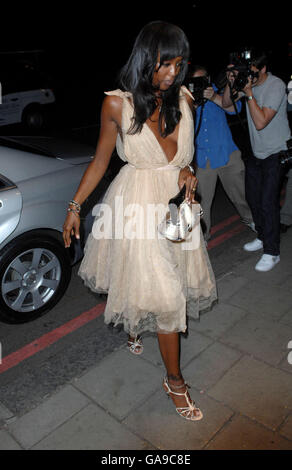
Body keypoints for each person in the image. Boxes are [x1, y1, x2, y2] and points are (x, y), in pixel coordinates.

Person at [62, 21, 217, 421]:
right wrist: (75, 206)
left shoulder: (183, 97)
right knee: (165, 297)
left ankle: (138, 323)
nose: (171, 74)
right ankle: (175, 382)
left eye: (178, 65)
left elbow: (185, 157)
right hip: (135, 203)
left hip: (175, 205)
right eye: (164, 64)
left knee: (175, 276)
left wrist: (187, 174)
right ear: (146, 59)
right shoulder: (117, 104)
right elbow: (100, 161)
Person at [222, 51, 291, 272]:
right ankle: (262, 236)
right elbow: (227, 105)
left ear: (262, 69)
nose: (247, 76)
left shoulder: (275, 85)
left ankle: (272, 252)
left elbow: (261, 122)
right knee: (252, 197)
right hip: (257, 152)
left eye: (251, 72)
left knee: (267, 201)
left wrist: (249, 93)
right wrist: (231, 82)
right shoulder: (248, 83)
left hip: (276, 152)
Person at [190, 65, 254, 241]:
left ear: (208, 79)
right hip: (204, 159)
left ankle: (253, 221)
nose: (200, 85)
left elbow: (234, 109)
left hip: (227, 154)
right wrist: (191, 104)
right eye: (196, 81)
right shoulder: (188, 99)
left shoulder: (221, 92)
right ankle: (203, 236)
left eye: (202, 80)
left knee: (240, 196)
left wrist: (213, 97)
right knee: (202, 204)